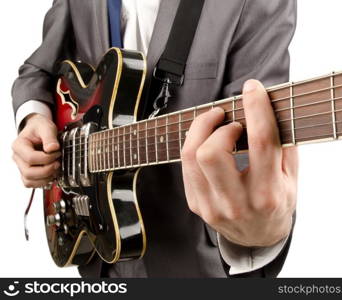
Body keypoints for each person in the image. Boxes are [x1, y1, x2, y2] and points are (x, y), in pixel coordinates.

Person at [11, 0, 298, 278]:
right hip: (97, 259)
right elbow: (39, 71)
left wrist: (260, 235)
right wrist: (33, 118)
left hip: (194, 263)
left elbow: (257, 152)